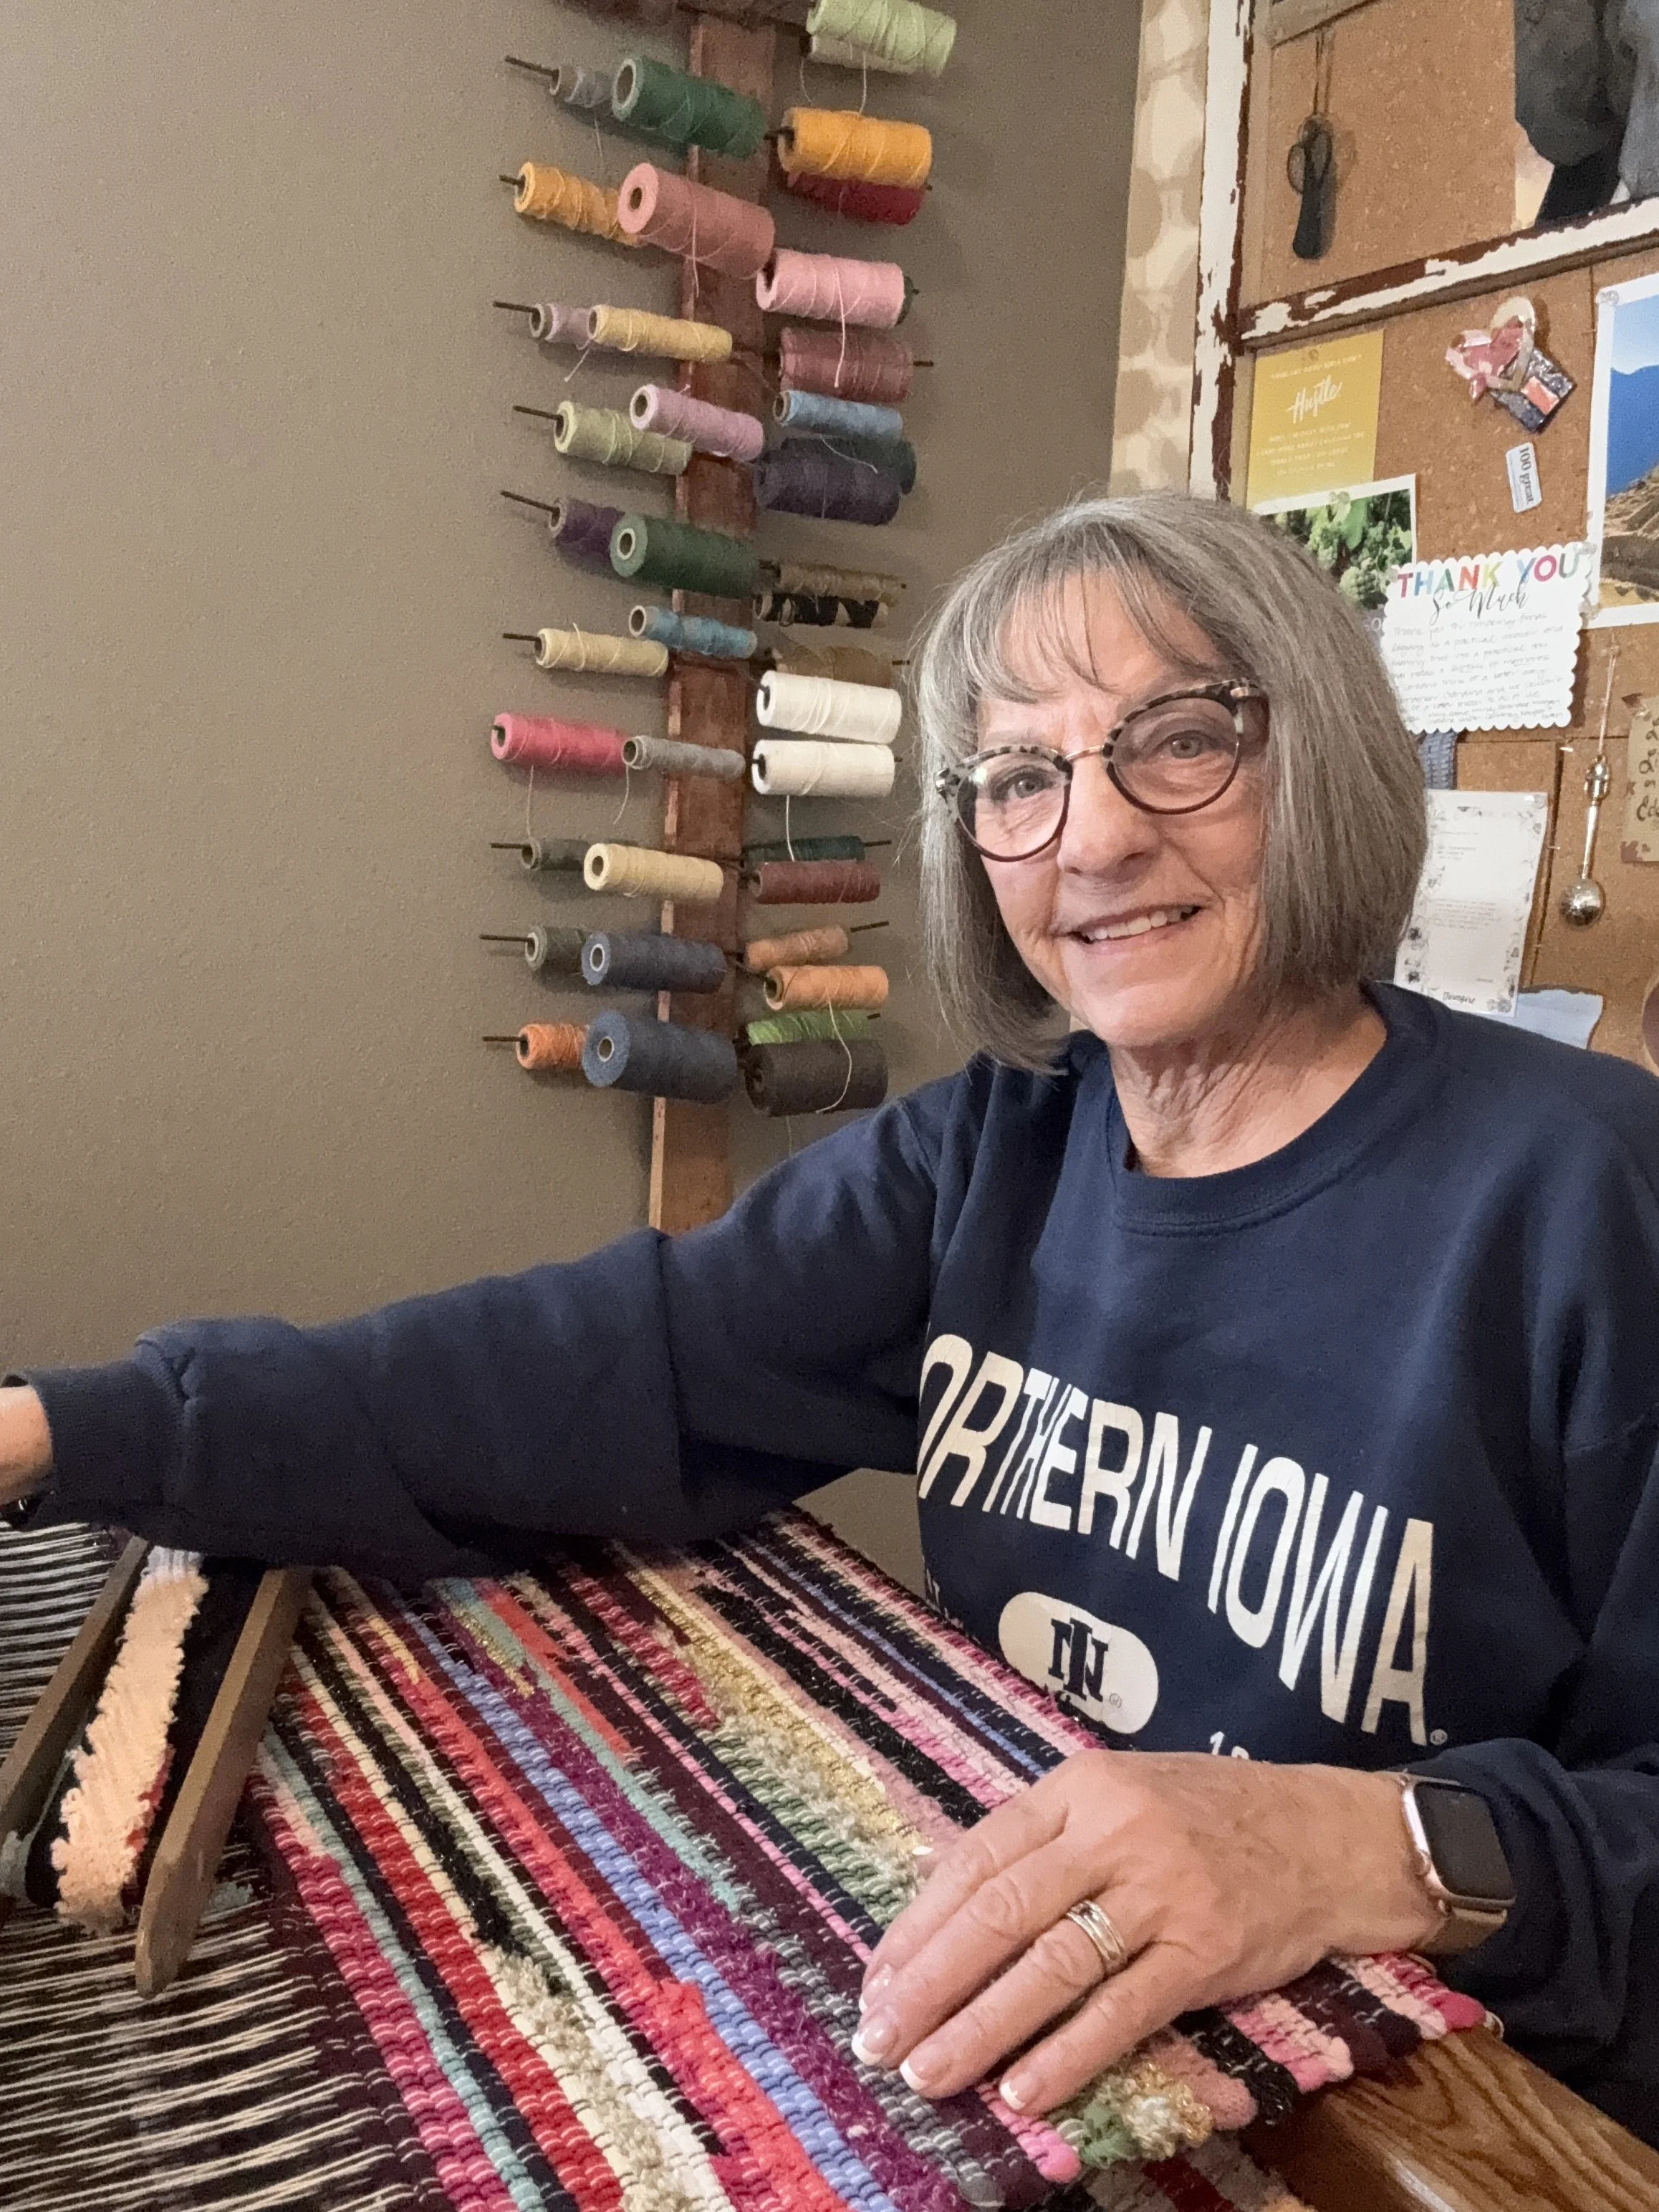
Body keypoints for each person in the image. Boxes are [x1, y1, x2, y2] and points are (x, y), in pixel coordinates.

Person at [3, 492, 1657, 2144]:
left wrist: (1376, 1846)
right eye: (1024, 774)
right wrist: (66, 1428)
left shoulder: (1594, 1197)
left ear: (1325, 762)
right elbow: (588, 1371)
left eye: (1178, 738)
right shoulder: (988, 1148)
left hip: (1448, 2119)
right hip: (1052, 2073)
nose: (1090, 838)